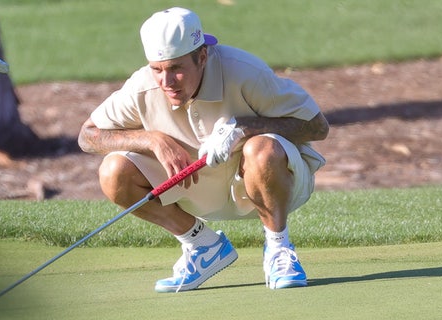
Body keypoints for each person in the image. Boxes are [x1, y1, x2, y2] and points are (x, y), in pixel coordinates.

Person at [78, 7, 329, 293]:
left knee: (262, 150)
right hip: (194, 189)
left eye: (176, 69)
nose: (166, 82)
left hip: (271, 182)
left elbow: (318, 128)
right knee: (113, 172)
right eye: (157, 69)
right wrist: (152, 140)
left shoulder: (245, 71)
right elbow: (88, 136)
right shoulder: (142, 86)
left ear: (202, 57)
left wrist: (244, 128)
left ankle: (278, 248)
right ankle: (202, 245)